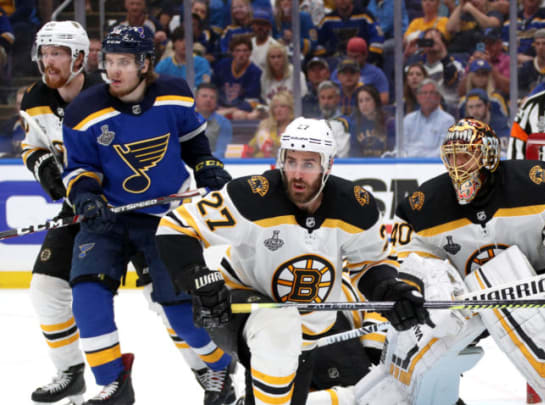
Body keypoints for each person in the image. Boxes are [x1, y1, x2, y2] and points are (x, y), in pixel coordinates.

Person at [154, 116, 432, 405]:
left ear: (328, 165)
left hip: (306, 334)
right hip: (238, 310)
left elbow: (370, 263)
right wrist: (198, 279)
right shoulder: (252, 195)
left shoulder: (355, 206)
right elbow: (175, 226)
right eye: (291, 161)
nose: (297, 174)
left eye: (309, 164)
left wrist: (389, 291)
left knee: (284, 386)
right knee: (278, 322)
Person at [359, 117, 545, 404]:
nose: (457, 166)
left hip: (537, 291)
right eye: (451, 157)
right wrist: (406, 293)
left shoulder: (532, 179)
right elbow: (403, 258)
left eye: (466, 156)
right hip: (466, 305)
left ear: (489, 156)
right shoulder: (424, 203)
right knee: (424, 331)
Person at [60, 26, 235, 405]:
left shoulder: (174, 94)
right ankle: (113, 382)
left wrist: (206, 166)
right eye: (109, 61)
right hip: (108, 218)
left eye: (124, 61)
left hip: (167, 217)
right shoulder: (83, 111)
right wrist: (87, 197)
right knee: (87, 293)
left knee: (179, 310)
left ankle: (221, 366)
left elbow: (194, 145)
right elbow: (78, 170)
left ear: (144, 63)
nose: (114, 70)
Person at [19, 21, 102, 405]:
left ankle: (211, 374)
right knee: (46, 287)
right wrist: (44, 169)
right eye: (45, 53)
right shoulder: (35, 97)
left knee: (163, 296)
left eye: (57, 53)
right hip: (79, 206)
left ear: (80, 58)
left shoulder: (110, 93)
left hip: (132, 209)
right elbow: (32, 144)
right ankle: (70, 372)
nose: (47, 61)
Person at [315, 0, 384, 64]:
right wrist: (323, 56)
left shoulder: (365, 16)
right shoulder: (327, 19)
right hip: (336, 61)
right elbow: (317, 40)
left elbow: (377, 36)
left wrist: (369, 57)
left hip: (362, 59)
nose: (342, 0)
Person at [213, 36, 263, 120]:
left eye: (245, 50)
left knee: (239, 115)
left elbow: (251, 101)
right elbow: (213, 89)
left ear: (250, 53)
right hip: (221, 107)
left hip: (240, 110)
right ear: (232, 52)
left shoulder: (255, 72)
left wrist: (230, 110)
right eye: (238, 50)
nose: (241, 54)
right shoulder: (222, 66)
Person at [402, 78, 455, 157]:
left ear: (439, 97)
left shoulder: (448, 120)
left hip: (435, 165)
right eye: (424, 93)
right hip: (409, 164)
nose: (428, 96)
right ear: (418, 97)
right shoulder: (408, 120)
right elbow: (402, 147)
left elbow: (445, 150)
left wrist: (421, 159)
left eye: (432, 93)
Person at [331, 37, 390, 105]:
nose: (353, 60)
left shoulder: (376, 73)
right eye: (350, 56)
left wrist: (365, 99)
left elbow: (384, 100)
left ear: (365, 55)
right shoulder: (338, 72)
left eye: (356, 57)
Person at [349, 84, 395, 157]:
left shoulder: (389, 123)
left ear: (375, 101)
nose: (364, 104)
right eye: (360, 101)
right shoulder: (355, 125)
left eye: (368, 100)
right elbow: (354, 153)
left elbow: (392, 151)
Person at [247, 90, 294, 158]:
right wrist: (261, 134)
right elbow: (251, 148)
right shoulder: (266, 125)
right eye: (275, 107)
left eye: (283, 106)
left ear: (290, 109)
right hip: (263, 164)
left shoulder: (296, 127)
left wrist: (272, 144)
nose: (278, 110)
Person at [195, 83, 233, 159]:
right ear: (195, 99)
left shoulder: (224, 122)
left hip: (212, 163)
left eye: (212, 97)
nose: (208, 99)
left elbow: (222, 151)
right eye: (204, 96)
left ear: (216, 102)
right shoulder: (185, 120)